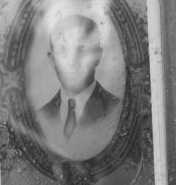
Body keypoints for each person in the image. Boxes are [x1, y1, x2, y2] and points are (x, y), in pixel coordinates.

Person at [34, 11, 121, 162]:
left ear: (98, 56)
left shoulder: (116, 109)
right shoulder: (41, 116)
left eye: (81, 51)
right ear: (52, 60)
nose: (72, 62)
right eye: (63, 51)